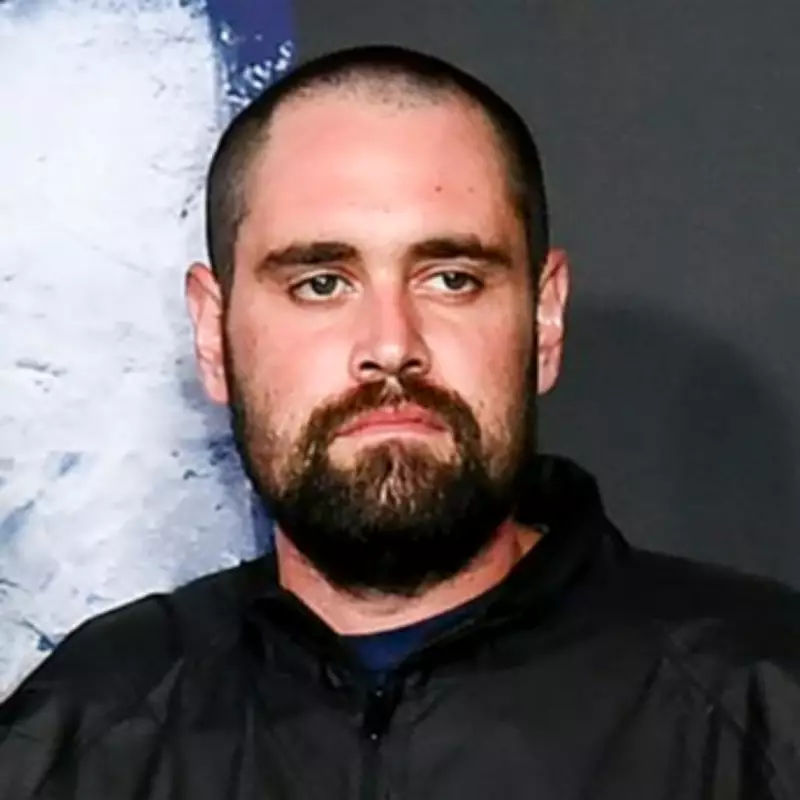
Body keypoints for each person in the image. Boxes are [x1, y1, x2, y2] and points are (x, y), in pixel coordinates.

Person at [1, 43, 799, 799]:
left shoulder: (767, 706)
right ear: (213, 334)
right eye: (320, 283)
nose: (390, 346)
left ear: (544, 320)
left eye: (452, 279)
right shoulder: (78, 735)